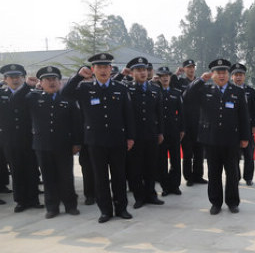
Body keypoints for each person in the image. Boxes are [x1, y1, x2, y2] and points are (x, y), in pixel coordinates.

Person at [62, 53, 135, 223]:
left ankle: (121, 208)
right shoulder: (84, 88)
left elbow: (128, 114)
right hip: (95, 141)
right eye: (99, 67)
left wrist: (130, 137)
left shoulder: (120, 88)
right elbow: (65, 94)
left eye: (106, 67)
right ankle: (105, 211)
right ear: (93, 70)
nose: (103, 70)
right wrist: (78, 76)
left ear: (110, 69)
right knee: (100, 178)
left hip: (117, 140)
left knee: (119, 176)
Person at [186, 58, 250, 215]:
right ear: (212, 74)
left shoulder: (238, 92)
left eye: (224, 73)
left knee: (232, 173)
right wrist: (200, 80)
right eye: (218, 73)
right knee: (214, 173)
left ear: (228, 74)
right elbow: (187, 96)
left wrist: (245, 137)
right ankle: (215, 202)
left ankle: (232, 202)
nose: (221, 76)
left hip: (231, 140)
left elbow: (243, 117)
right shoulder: (205, 90)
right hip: (211, 140)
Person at [23, 66, 81, 218]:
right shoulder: (33, 98)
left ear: (59, 82)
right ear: (41, 83)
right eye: (47, 79)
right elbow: (15, 100)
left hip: (64, 145)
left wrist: (77, 143)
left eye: (54, 79)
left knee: (66, 177)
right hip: (42, 145)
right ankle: (52, 207)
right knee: (48, 178)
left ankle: (70, 205)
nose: (51, 82)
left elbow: (76, 123)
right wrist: (26, 85)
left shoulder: (67, 99)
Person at [120, 57, 164, 209]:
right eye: (138, 70)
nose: (143, 73)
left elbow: (159, 113)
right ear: (132, 73)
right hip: (135, 135)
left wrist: (160, 132)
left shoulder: (155, 89)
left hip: (151, 134)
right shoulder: (127, 88)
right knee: (136, 168)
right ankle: (139, 197)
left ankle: (151, 195)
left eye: (144, 70)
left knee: (151, 166)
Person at [0, 64, 43, 212]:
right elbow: (13, 102)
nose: (15, 80)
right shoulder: (2, 94)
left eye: (18, 77)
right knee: (16, 169)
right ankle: (20, 201)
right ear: (5, 79)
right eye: (11, 77)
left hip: (28, 137)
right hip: (9, 138)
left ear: (23, 78)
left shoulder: (31, 93)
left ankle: (33, 199)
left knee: (32, 168)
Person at [154, 66, 185, 196]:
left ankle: (175, 186)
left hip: (174, 130)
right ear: (159, 78)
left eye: (167, 76)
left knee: (176, 159)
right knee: (162, 161)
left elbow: (182, 113)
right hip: (161, 131)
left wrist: (182, 129)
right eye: (162, 76)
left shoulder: (176, 93)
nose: (165, 78)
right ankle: (165, 186)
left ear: (170, 77)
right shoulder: (155, 92)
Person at [230, 63, 255, 186]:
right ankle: (236, 177)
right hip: (233, 128)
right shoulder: (228, 91)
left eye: (240, 75)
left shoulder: (250, 91)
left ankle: (248, 177)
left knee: (249, 154)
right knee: (234, 155)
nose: (238, 77)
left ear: (244, 76)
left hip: (247, 128)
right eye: (236, 75)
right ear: (232, 77)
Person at [179, 59, 207, 187]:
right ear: (184, 69)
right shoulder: (181, 82)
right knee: (187, 153)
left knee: (199, 152)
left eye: (192, 67)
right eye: (188, 67)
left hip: (199, 122)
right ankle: (188, 177)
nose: (191, 69)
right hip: (186, 122)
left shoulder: (202, 83)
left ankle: (198, 175)